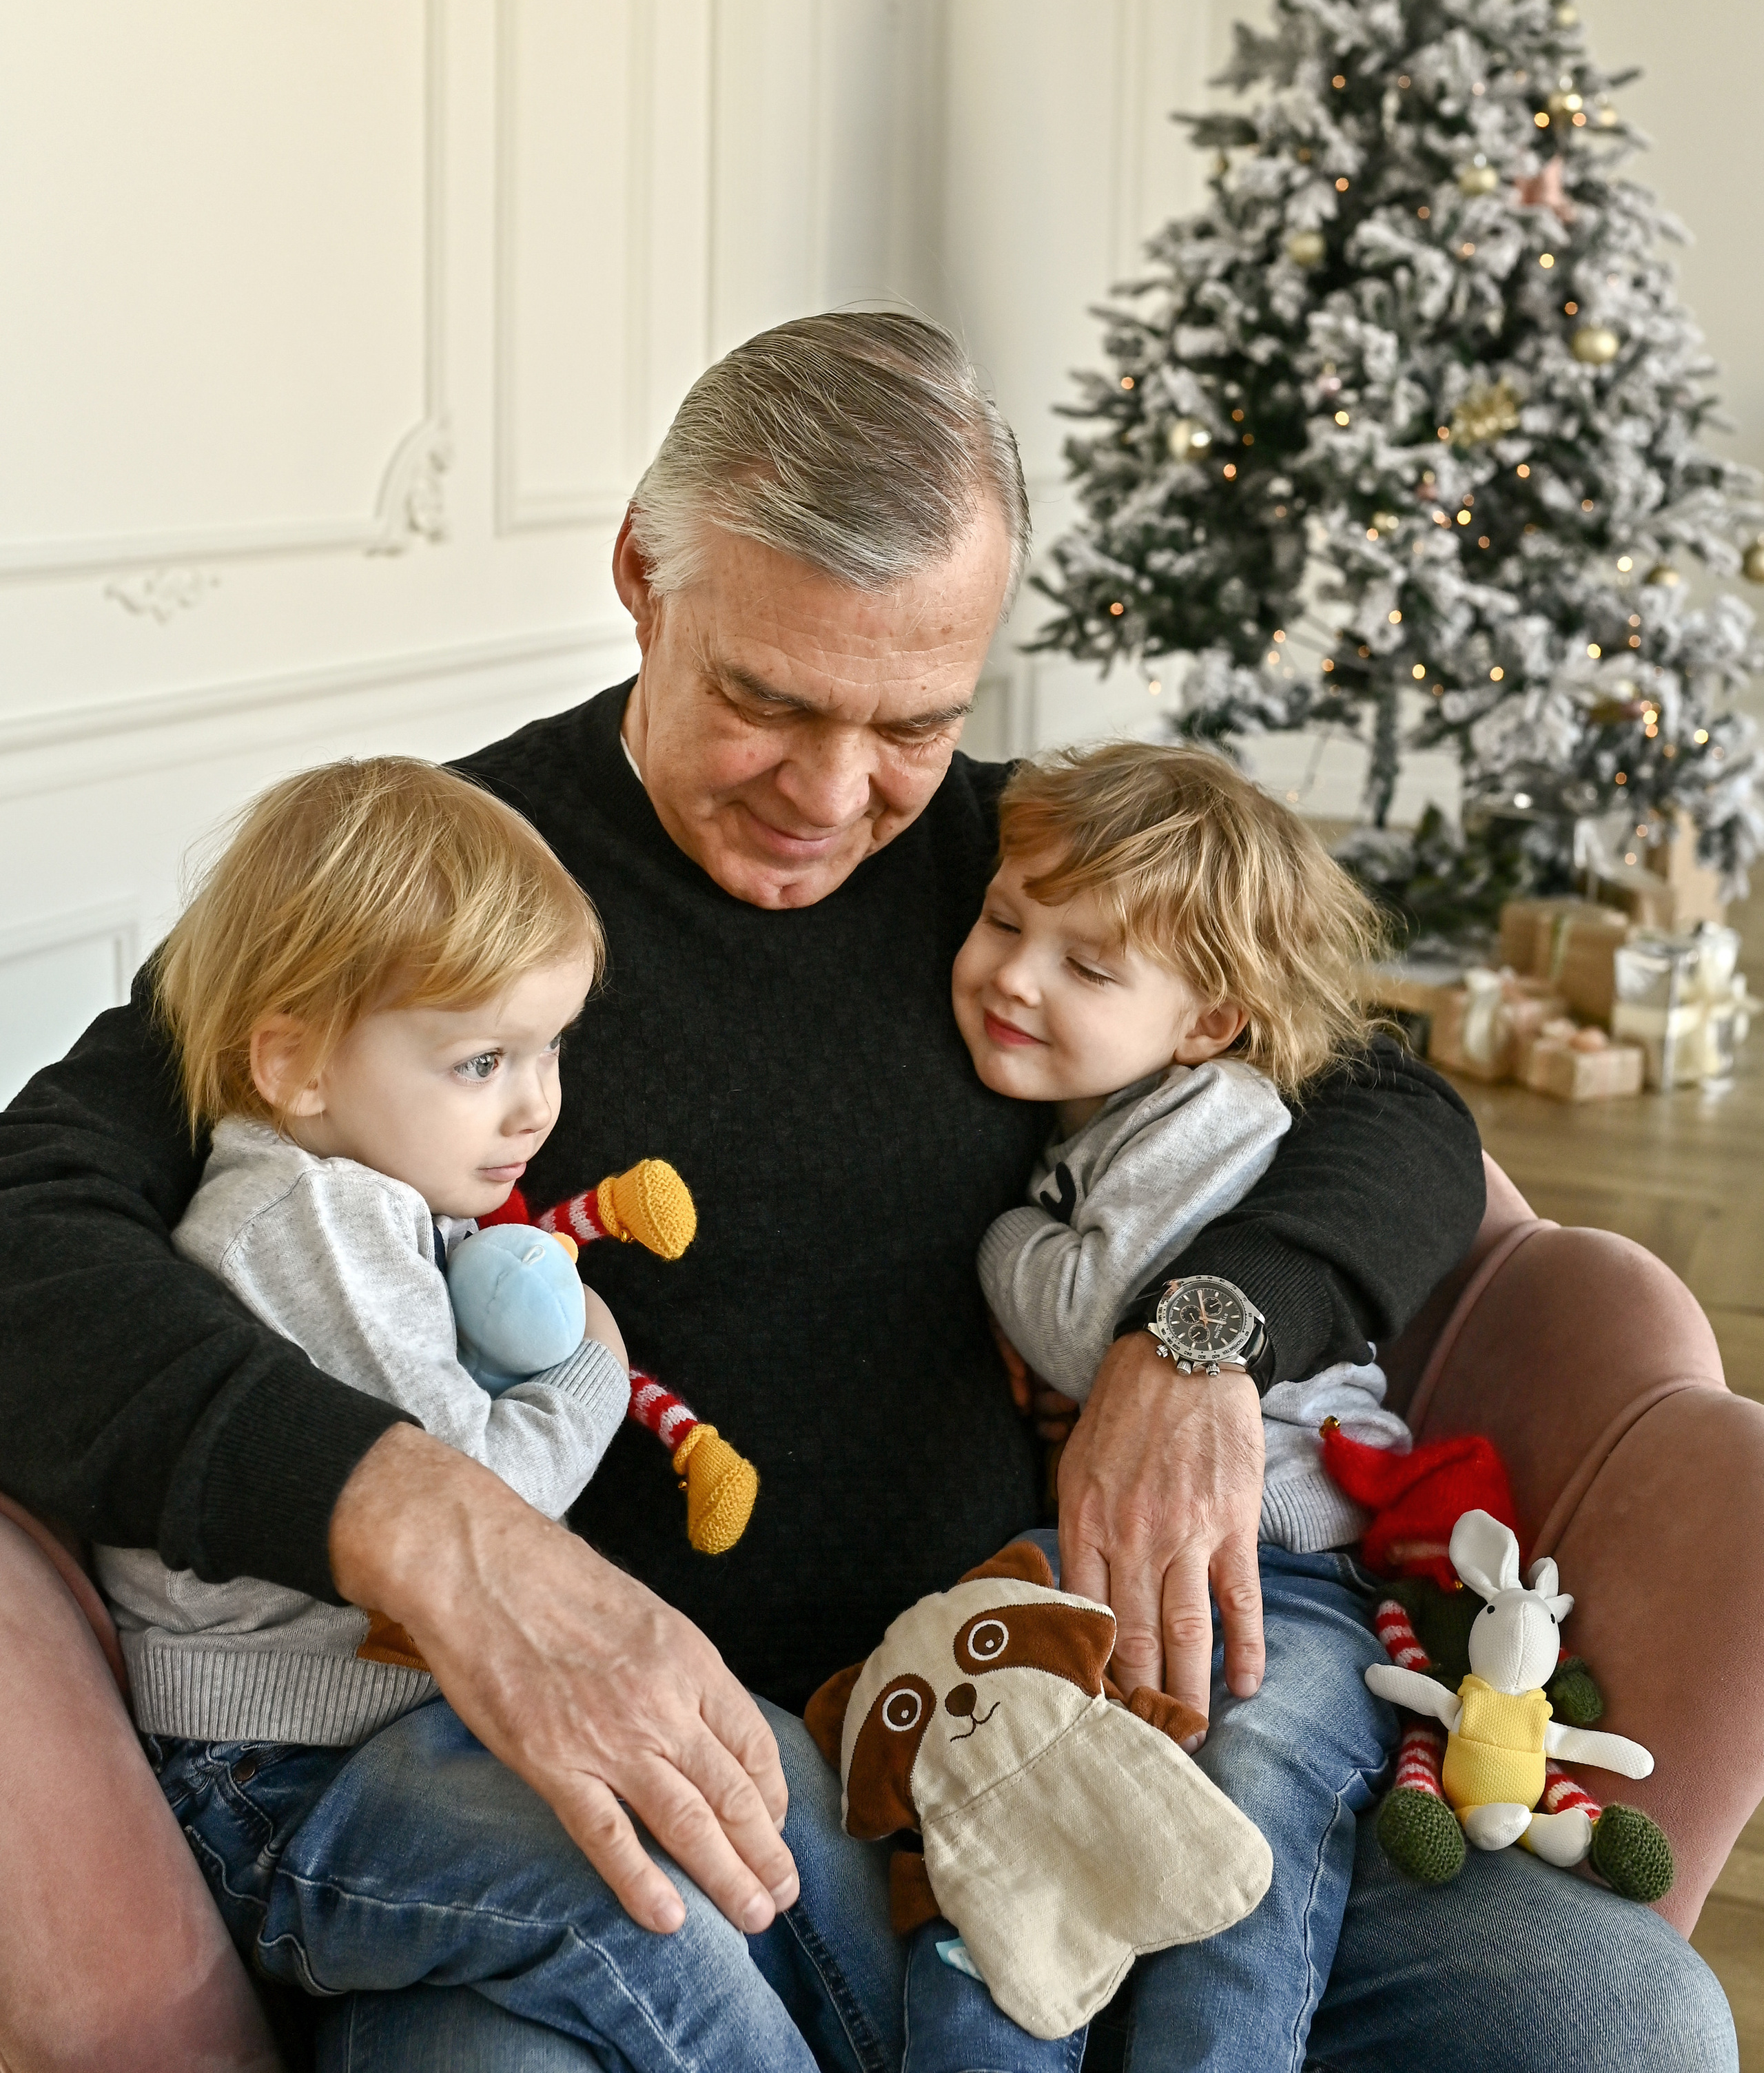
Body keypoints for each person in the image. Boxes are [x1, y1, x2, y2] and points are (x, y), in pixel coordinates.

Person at [0, 312, 1734, 2070]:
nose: (831, 798)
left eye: (912, 720)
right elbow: (27, 1226)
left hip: (1060, 1735)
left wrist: (1196, 1335)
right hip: (635, 1814)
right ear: (639, 579)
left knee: (1616, 2013)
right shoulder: (436, 905)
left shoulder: (1023, 882)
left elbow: (1382, 1094)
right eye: (766, 700)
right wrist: (425, 1522)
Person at [91, 754, 820, 2067]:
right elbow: (492, 1501)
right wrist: (594, 1353)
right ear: (295, 1061)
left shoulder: (383, 1189)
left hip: (384, 1737)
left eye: (548, 1048)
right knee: (637, 1909)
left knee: (772, 1768)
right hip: (276, 1782)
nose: (537, 1103)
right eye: (483, 1058)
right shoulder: (311, 1221)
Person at [877, 738, 1409, 2072]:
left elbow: (1078, 1327)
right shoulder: (1086, 1107)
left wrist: (992, 1241)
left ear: (1206, 1021)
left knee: (1238, 1825)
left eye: (1086, 966)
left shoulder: (1205, 1115)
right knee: (1006, 1834)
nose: (1012, 975)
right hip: (1094, 1565)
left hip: (1279, 1568)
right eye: (1004, 921)